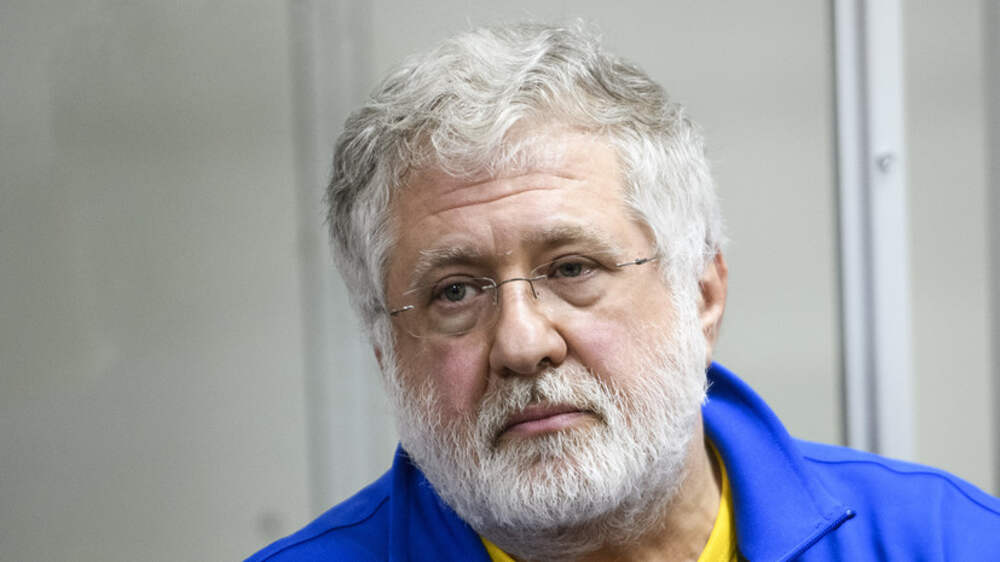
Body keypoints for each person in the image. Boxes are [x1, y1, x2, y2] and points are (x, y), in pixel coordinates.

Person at [248, 22, 1000, 561]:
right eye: (455, 292)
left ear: (701, 293)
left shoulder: (948, 542)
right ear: (385, 352)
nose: (522, 343)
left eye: (572, 268)